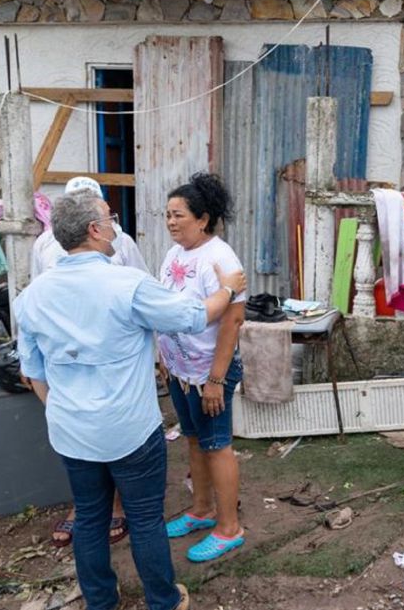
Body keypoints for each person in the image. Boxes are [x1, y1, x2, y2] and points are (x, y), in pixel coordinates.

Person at [15, 189, 246, 610]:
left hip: (71, 432)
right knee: (143, 519)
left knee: (89, 518)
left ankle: (101, 600)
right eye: (110, 217)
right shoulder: (127, 283)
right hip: (129, 430)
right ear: (94, 230)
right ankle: (163, 600)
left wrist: (66, 412)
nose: (114, 225)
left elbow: (33, 373)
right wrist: (228, 290)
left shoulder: (32, 296)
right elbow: (192, 316)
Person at [30, 176, 147, 549]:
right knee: (79, 440)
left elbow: (144, 291)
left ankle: (116, 503)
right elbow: (35, 294)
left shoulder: (120, 241)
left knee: (112, 432)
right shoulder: (44, 246)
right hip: (67, 357)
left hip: (111, 352)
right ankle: (86, 507)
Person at [157, 173, 248, 563]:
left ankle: (229, 529)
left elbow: (232, 321)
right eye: (168, 215)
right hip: (181, 369)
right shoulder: (175, 253)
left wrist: (215, 379)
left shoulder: (221, 259)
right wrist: (165, 359)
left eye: (179, 215)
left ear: (203, 218)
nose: (171, 222)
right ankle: (201, 509)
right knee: (194, 438)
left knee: (217, 445)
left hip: (210, 372)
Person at [31, 176, 148, 277]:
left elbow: (142, 282)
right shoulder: (44, 241)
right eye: (77, 204)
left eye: (89, 203)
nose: (83, 210)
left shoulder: (122, 240)